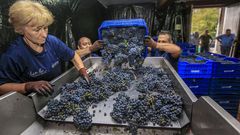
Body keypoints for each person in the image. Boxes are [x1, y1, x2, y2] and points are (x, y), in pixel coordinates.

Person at [0, 0, 89, 96]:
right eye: (37, 30)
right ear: (21, 29)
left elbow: (73, 56)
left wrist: (82, 69)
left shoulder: (52, 41)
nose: (44, 35)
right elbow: (2, 87)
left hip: (58, 91)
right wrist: (28, 86)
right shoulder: (13, 55)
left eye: (45, 28)